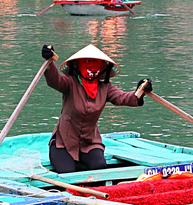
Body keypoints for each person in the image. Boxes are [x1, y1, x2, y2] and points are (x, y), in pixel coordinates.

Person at [40, 44, 152, 174]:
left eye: (95, 63)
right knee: (67, 172)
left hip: (90, 142)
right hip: (63, 143)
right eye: (87, 62)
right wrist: (50, 61)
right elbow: (54, 80)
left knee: (99, 167)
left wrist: (139, 92)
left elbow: (123, 97)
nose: (91, 67)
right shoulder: (70, 83)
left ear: (102, 67)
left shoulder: (106, 88)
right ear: (78, 65)